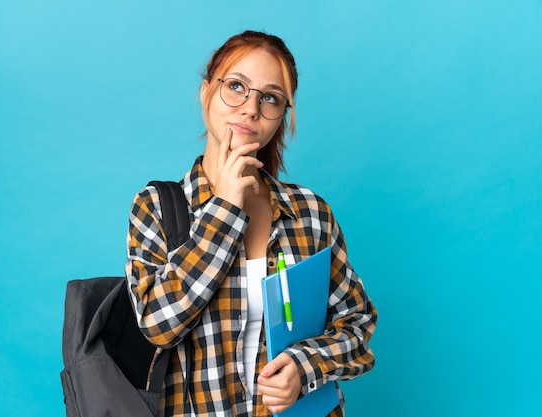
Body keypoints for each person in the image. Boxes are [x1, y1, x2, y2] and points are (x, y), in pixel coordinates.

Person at [125, 30, 377, 417]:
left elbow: (357, 325)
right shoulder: (157, 206)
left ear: (283, 116)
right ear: (207, 89)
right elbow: (159, 326)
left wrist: (303, 366)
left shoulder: (310, 213)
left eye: (270, 97)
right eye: (237, 86)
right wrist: (225, 207)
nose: (250, 108)